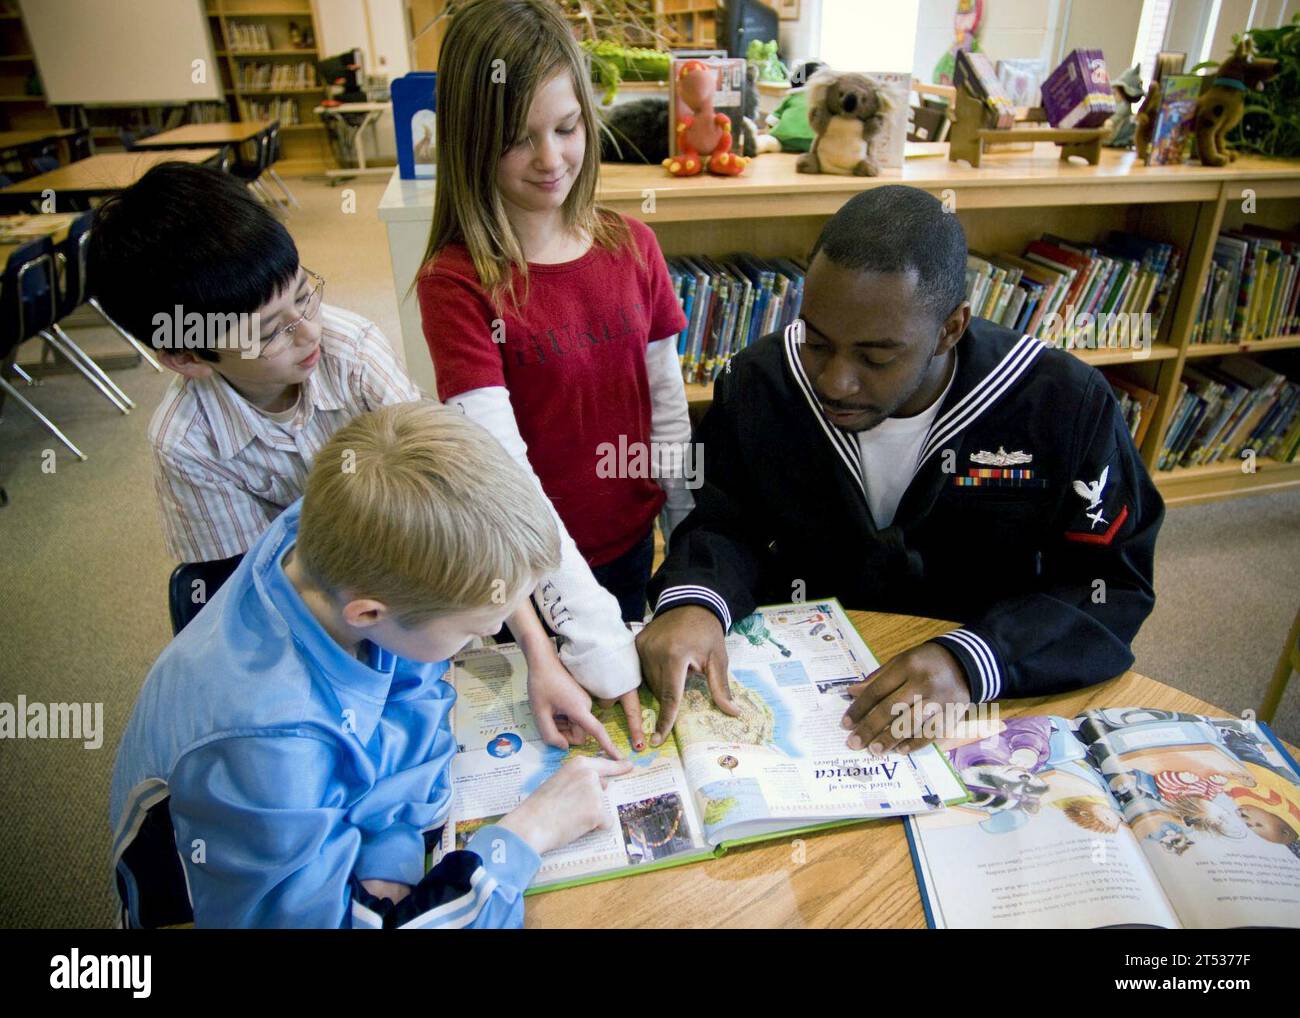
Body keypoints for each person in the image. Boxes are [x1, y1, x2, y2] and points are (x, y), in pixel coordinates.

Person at [636, 184, 1164, 751]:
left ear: (951, 328)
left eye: (876, 357)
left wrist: (975, 661)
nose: (835, 381)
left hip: (990, 697)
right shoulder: (763, 380)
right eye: (817, 340)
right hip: (801, 692)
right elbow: (723, 523)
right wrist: (696, 598)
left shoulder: (1061, 403)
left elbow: (1110, 582)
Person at [110, 402, 632, 928]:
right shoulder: (265, 741)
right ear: (369, 613)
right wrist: (526, 834)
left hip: (302, 834)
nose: (484, 637)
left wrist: (392, 847)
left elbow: (408, 689)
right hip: (189, 900)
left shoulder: (336, 539)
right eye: (476, 631)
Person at [415, 0, 697, 747]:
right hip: (528, 573)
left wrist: (691, 551)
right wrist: (585, 626)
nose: (551, 159)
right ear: (473, 143)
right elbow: (499, 467)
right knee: (559, 738)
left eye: (567, 128)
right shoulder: (456, 282)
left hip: (631, 541)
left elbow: (667, 409)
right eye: (518, 140)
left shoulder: (633, 246)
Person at [88, 161, 420, 567]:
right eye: (268, 333)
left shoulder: (351, 348)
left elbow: (433, 470)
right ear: (187, 358)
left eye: (302, 296)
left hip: (409, 547)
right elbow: (246, 577)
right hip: (304, 587)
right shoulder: (187, 443)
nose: (308, 332)